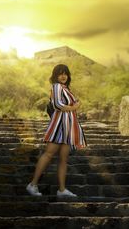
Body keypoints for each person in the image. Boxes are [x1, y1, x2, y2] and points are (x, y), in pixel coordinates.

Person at [26, 64, 87, 197]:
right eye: (60, 73)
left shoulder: (66, 88)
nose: (63, 76)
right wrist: (74, 107)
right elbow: (57, 105)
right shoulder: (56, 86)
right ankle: (32, 184)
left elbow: (73, 103)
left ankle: (62, 190)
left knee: (63, 159)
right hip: (59, 125)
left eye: (65, 73)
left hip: (68, 126)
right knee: (48, 154)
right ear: (55, 76)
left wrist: (76, 104)